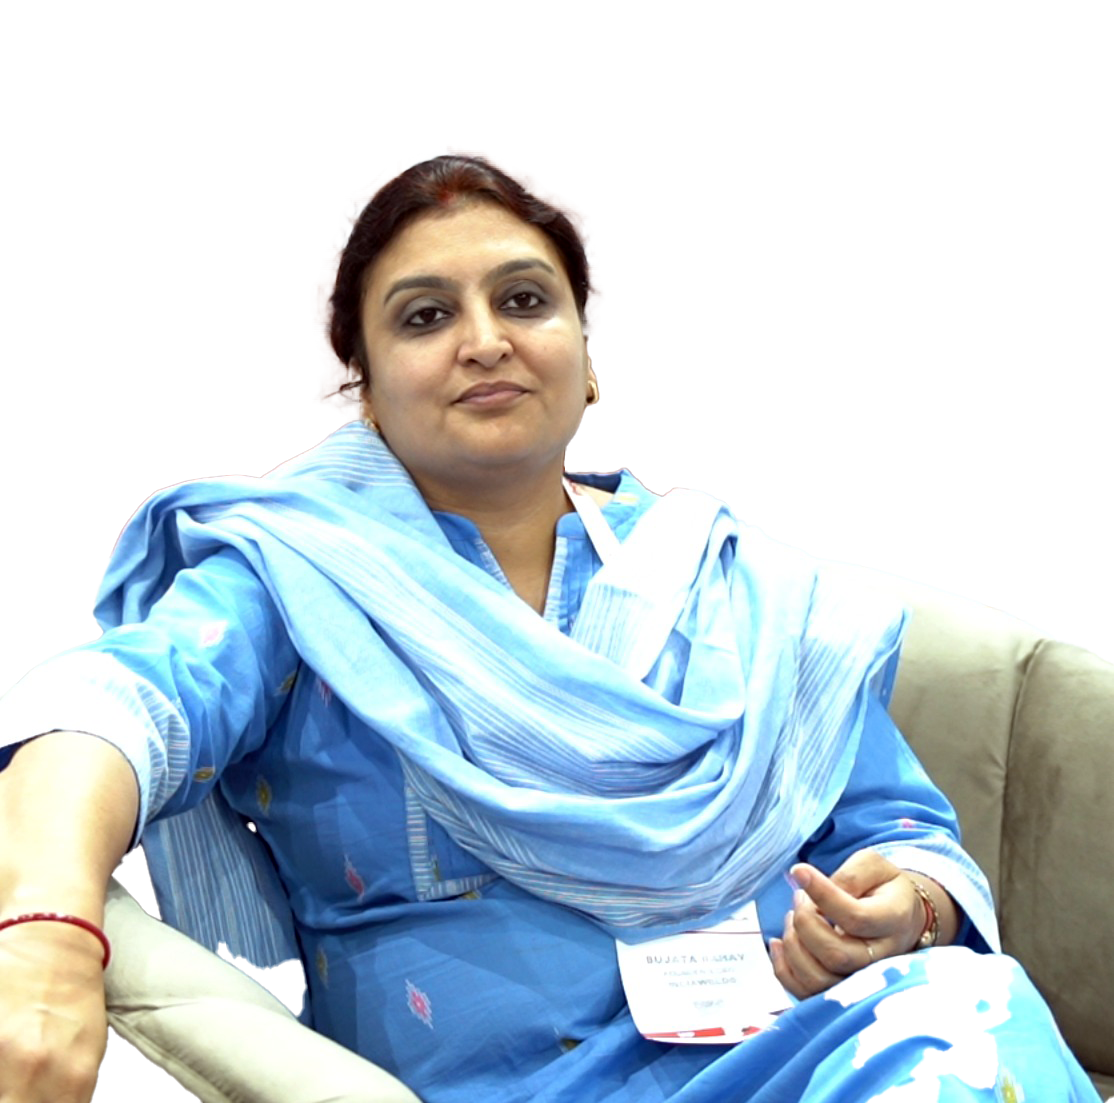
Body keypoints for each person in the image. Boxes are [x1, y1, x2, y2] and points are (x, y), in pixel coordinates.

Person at [0, 154, 1099, 1103]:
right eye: (425, 316)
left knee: (969, 1007)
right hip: (510, 1083)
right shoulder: (297, 570)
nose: (485, 341)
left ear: (582, 354)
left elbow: (897, 827)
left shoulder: (725, 582)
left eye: (524, 301)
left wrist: (903, 910)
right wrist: (47, 934)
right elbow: (113, 711)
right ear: (362, 388)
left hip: (795, 1052)